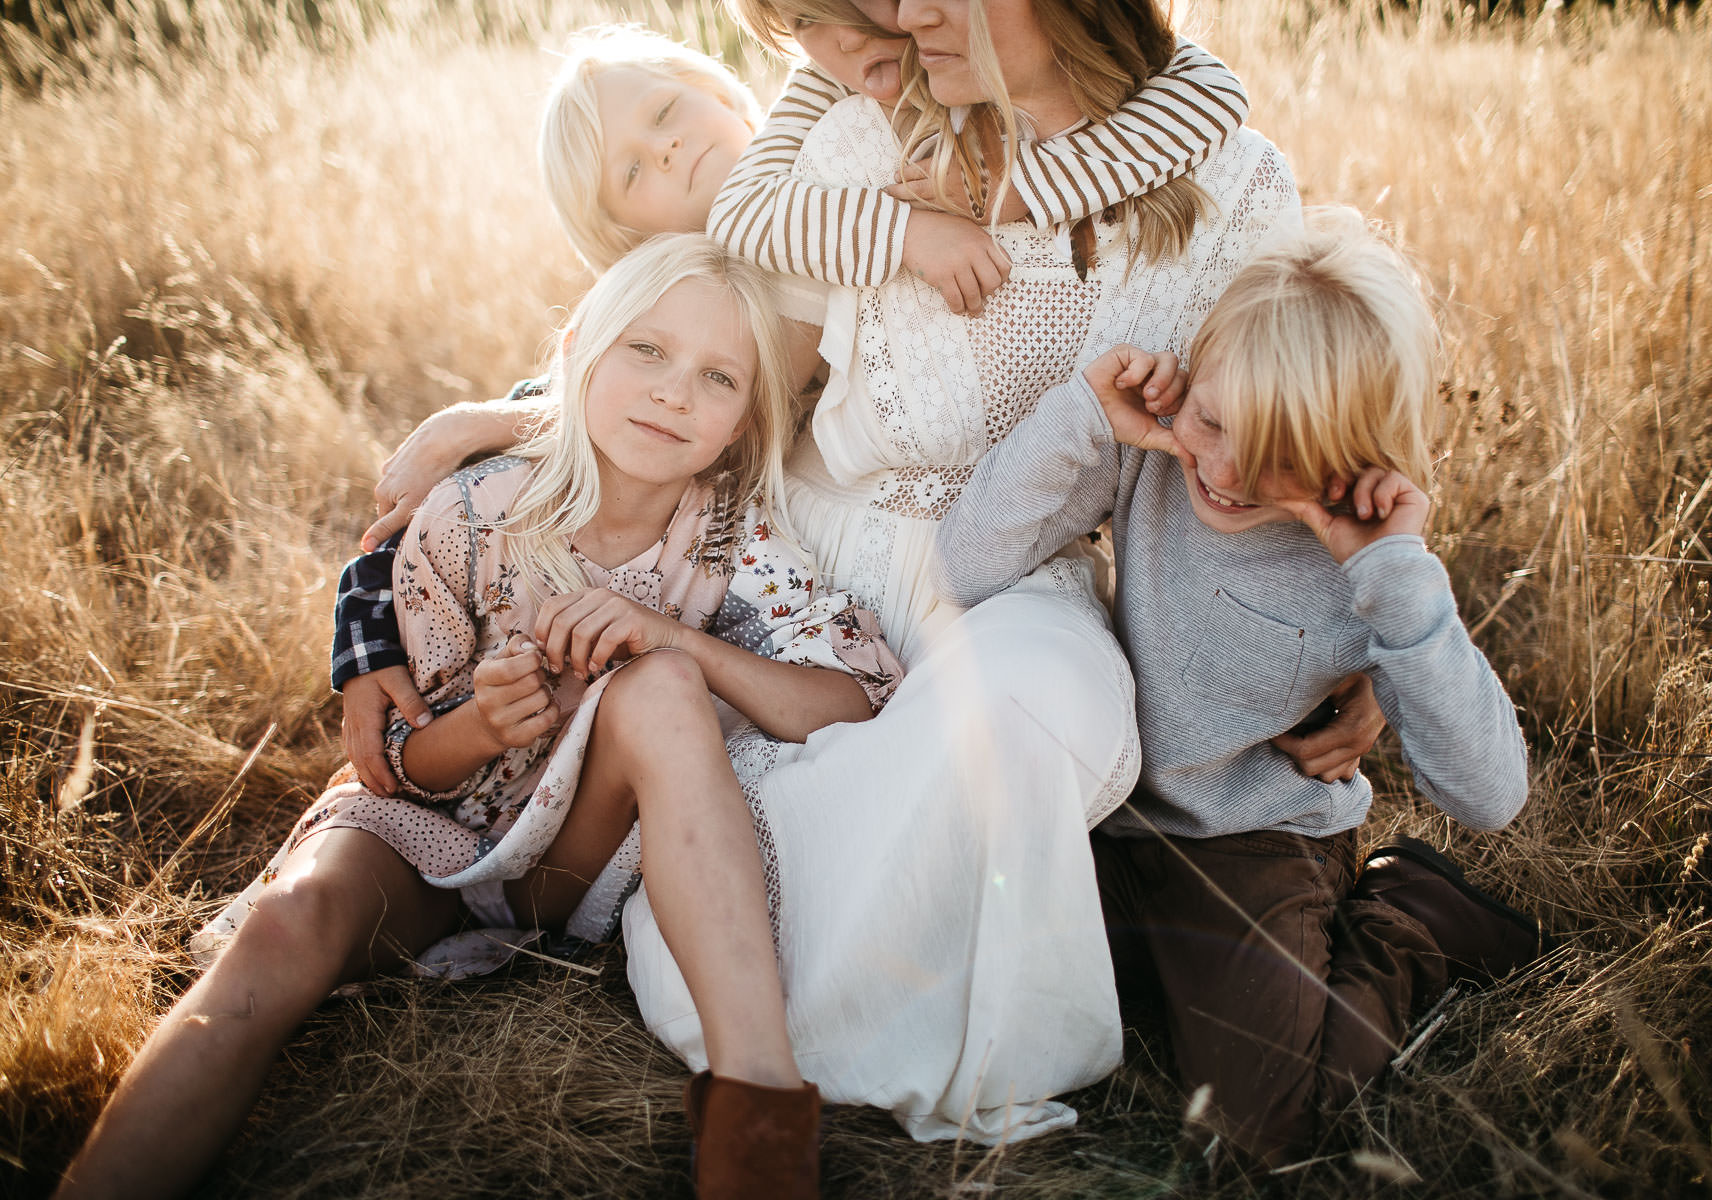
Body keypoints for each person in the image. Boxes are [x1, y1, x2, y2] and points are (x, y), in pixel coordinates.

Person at [332, 5, 1385, 1143]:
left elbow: (1303, 389)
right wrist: (493, 435)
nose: (903, 13)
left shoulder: (1225, 171)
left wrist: (1361, 619)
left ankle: (982, 1004)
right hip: (799, 568)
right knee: (744, 883)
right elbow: (718, 374)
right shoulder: (855, 142)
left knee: (1046, 705)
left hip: (1017, 573)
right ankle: (798, 1039)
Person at [56, 235, 903, 1200]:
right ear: (579, 350)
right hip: (422, 836)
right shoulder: (473, 510)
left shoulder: (729, 533)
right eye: (646, 351)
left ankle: (757, 1112)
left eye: (717, 377)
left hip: (566, 863)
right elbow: (401, 763)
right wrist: (484, 727)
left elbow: (857, 690)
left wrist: (679, 640)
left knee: (665, 687)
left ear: (745, 418)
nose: (673, 393)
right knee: (289, 927)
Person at [935, 208, 1545, 1165]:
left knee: (1264, 1130)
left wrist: (1395, 579)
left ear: (1355, 450)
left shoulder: (1365, 561)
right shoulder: (1156, 451)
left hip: (1250, 840)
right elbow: (966, 567)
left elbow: (1491, 794)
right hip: (1104, 812)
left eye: (1279, 458)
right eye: (1215, 421)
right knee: (999, 996)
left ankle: (1411, 917)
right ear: (1198, 371)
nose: (1222, 469)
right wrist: (1084, 419)